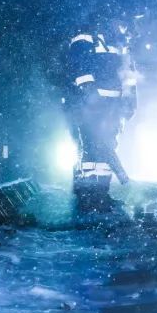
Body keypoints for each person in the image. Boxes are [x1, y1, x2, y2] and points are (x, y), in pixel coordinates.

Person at [62, 15, 138, 208]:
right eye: (123, 25)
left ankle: (101, 195)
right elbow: (78, 64)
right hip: (90, 104)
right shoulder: (87, 36)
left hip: (113, 105)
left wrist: (131, 101)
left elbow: (129, 74)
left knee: (108, 146)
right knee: (91, 148)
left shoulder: (121, 44)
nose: (125, 30)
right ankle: (87, 197)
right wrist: (89, 92)